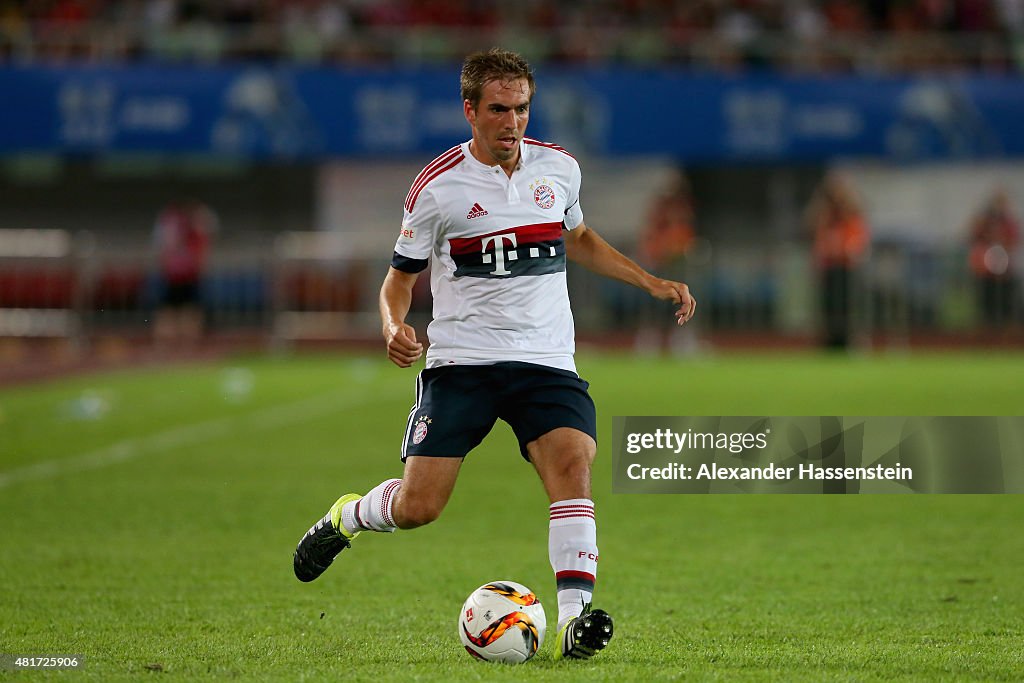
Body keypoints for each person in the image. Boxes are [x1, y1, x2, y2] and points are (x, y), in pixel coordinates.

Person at [292, 48, 696, 661]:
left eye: (523, 109)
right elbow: (399, 277)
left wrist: (651, 281)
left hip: (546, 359)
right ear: (470, 110)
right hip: (462, 365)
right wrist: (391, 324)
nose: (513, 123)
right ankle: (348, 518)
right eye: (500, 110)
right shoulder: (436, 189)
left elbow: (578, 236)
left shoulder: (558, 170)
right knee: (419, 506)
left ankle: (572, 624)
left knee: (572, 468)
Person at [806, 172, 869, 349]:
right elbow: (812, 227)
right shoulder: (824, 214)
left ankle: (849, 340)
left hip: (847, 267)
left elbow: (858, 237)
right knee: (828, 307)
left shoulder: (851, 213)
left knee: (847, 306)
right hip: (828, 267)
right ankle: (829, 342)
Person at [152, 198, 216, 346]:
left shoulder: (170, 222)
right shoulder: (191, 224)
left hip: (176, 273)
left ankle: (170, 346)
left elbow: (162, 250)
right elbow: (201, 249)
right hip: (184, 273)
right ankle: (185, 347)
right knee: (185, 311)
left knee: (174, 311)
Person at [967, 188, 1020, 331]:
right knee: (986, 303)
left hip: (1004, 270)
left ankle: (1006, 331)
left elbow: (1014, 240)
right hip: (984, 271)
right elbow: (973, 235)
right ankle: (987, 332)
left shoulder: (1008, 222)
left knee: (1005, 302)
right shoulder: (984, 220)